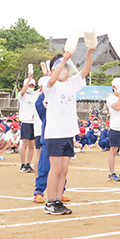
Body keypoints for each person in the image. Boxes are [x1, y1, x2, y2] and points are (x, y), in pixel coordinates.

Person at [41, 47, 95, 214]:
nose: (66, 71)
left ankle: (58, 200)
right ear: (53, 69)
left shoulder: (71, 83)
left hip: (68, 132)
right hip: (55, 133)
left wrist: (89, 53)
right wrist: (63, 60)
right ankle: (50, 202)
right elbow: (50, 82)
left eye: (66, 68)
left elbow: (85, 71)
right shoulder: (47, 82)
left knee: (64, 170)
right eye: (62, 68)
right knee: (55, 169)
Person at [18, 75, 38, 173]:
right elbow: (23, 91)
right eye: (29, 85)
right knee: (24, 144)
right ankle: (22, 164)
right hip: (25, 122)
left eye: (32, 85)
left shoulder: (35, 94)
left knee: (31, 145)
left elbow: (44, 89)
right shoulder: (22, 95)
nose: (31, 86)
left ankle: (28, 164)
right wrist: (29, 79)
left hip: (34, 122)